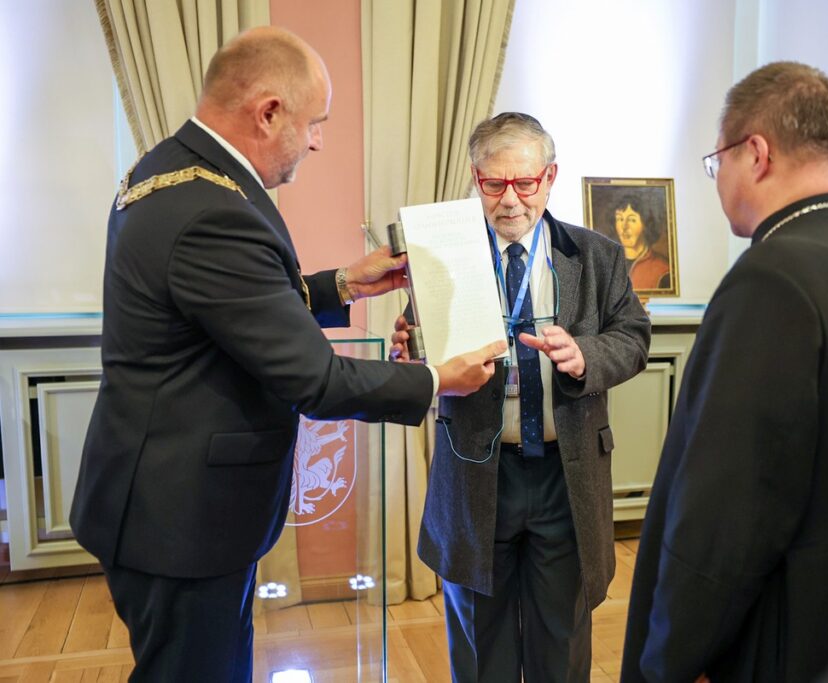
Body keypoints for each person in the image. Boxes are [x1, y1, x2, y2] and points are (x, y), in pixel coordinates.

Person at [69, 26, 504, 683]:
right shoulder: (214, 209)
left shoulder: (170, 171)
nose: (319, 140)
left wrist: (343, 284)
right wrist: (437, 378)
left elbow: (230, 309)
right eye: (314, 123)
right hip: (183, 519)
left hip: (163, 498)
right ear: (268, 112)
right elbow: (315, 379)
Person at [620, 61, 828, 682]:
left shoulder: (772, 277)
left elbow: (728, 509)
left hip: (790, 626)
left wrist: (670, 655)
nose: (718, 179)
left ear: (755, 153)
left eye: (717, 162)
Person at [390, 112, 651, 682]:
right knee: (482, 648)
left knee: (561, 641)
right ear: (475, 179)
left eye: (524, 183)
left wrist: (585, 357)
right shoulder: (444, 259)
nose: (510, 200)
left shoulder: (596, 254)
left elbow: (633, 338)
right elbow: (420, 347)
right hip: (477, 473)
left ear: (549, 177)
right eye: (493, 184)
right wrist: (407, 352)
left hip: (566, 475)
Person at [612, 192, 671, 289]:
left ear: (646, 224)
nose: (624, 227)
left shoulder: (662, 270)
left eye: (632, 220)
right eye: (620, 219)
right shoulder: (607, 263)